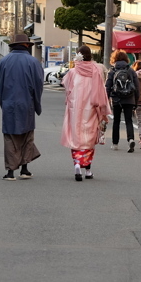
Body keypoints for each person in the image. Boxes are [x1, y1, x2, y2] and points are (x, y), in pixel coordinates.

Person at [0, 33, 44, 180]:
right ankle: (24, 169)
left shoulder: (3, 62)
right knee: (27, 135)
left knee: (10, 136)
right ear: (27, 45)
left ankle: (10, 171)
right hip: (27, 103)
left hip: (9, 103)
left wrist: (3, 100)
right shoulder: (33, 62)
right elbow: (38, 85)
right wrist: (36, 104)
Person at [60, 45, 110, 182]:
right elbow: (102, 90)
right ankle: (88, 169)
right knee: (89, 138)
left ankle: (77, 164)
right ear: (90, 56)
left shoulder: (72, 72)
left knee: (76, 137)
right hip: (92, 109)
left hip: (75, 109)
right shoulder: (97, 70)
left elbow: (66, 87)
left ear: (79, 56)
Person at [105, 49, 139, 152]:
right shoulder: (131, 70)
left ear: (114, 59)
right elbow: (137, 87)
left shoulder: (112, 71)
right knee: (129, 120)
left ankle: (115, 144)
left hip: (116, 99)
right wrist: (136, 101)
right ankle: (131, 139)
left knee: (116, 121)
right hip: (129, 98)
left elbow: (107, 87)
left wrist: (106, 101)